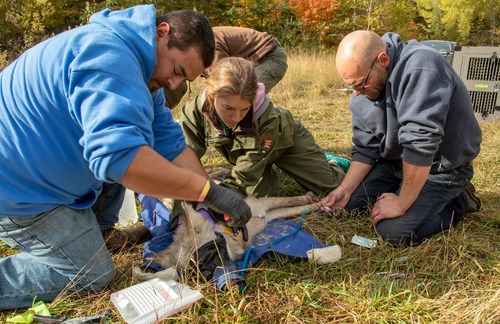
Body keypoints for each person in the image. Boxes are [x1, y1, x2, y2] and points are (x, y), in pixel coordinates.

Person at [0, 5, 253, 310]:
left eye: (185, 80)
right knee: (92, 274)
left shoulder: (142, 70)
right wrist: (208, 191)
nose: (175, 85)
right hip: (18, 193)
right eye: (177, 71)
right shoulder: (107, 56)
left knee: (137, 138)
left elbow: (170, 145)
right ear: (162, 33)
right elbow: (121, 160)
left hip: (40, 170)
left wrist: (209, 199)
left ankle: (97, 233)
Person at [320, 30, 482, 246]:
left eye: (360, 84)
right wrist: (345, 189)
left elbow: (420, 144)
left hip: (439, 169)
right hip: (395, 163)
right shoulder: (365, 84)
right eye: (351, 86)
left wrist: (402, 203)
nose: (356, 92)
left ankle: (458, 200)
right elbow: (366, 148)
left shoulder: (421, 66)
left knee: (392, 233)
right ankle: (404, 190)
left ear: (383, 60)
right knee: (351, 206)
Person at [178, 56, 348, 200]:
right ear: (212, 96)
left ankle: (332, 162)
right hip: (252, 155)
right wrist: (183, 212)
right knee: (253, 199)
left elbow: (245, 175)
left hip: (285, 140)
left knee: (333, 189)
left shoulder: (266, 118)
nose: (237, 117)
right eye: (229, 108)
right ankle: (268, 173)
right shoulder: (193, 113)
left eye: (245, 109)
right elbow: (183, 161)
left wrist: (219, 199)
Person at [164, 26, 288, 108]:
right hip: (257, 58)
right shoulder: (194, 46)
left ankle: (254, 138)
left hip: (269, 56)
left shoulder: (209, 47)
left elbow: (225, 81)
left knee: (243, 98)